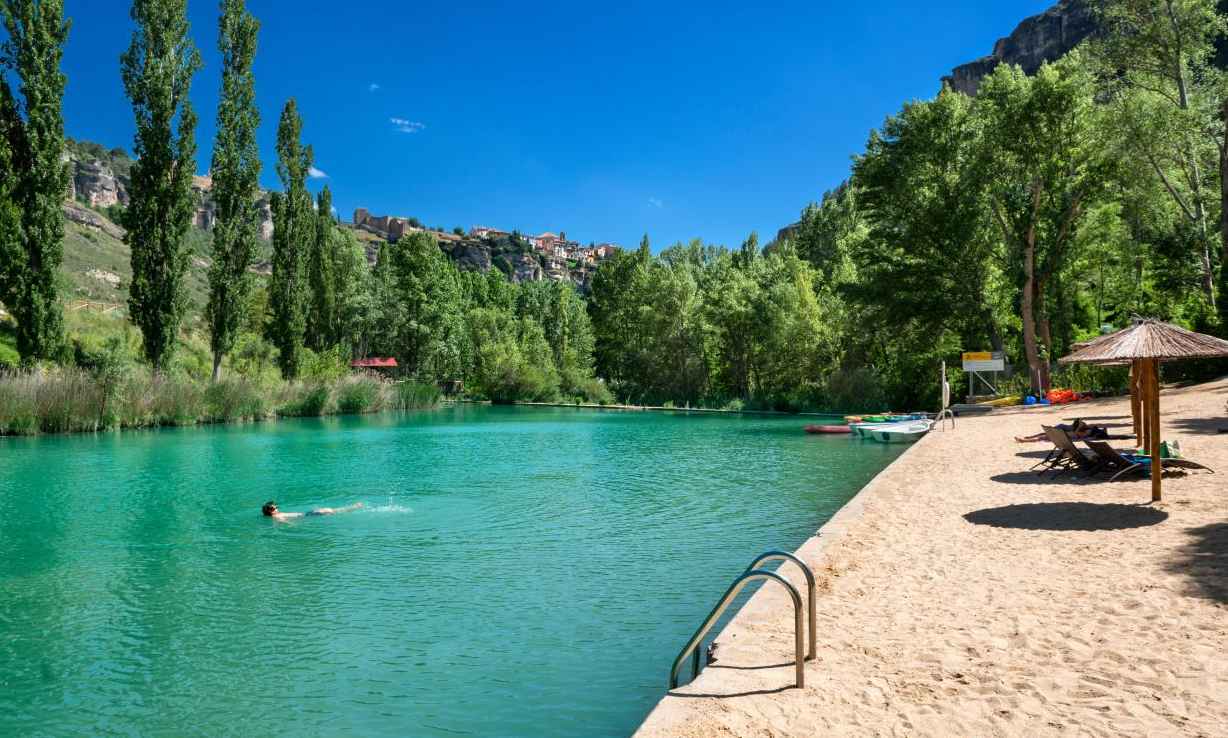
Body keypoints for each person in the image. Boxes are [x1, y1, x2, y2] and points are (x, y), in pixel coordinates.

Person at [1014, 419, 1108, 443]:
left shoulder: (1088, 433)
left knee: (1044, 437)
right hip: (1067, 431)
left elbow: (1078, 434)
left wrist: (1079, 427)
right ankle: (1029, 437)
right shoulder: (1089, 429)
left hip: (1068, 434)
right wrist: (1080, 424)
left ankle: (1024, 440)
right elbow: (1079, 427)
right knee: (1045, 433)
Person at [262, 500, 363, 521]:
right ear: (271, 511)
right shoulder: (276, 516)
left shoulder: (277, 515)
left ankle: (353, 507)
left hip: (307, 514)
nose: (277, 508)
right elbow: (283, 521)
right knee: (331, 511)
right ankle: (353, 508)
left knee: (331, 510)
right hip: (307, 515)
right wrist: (292, 525)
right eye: (275, 508)